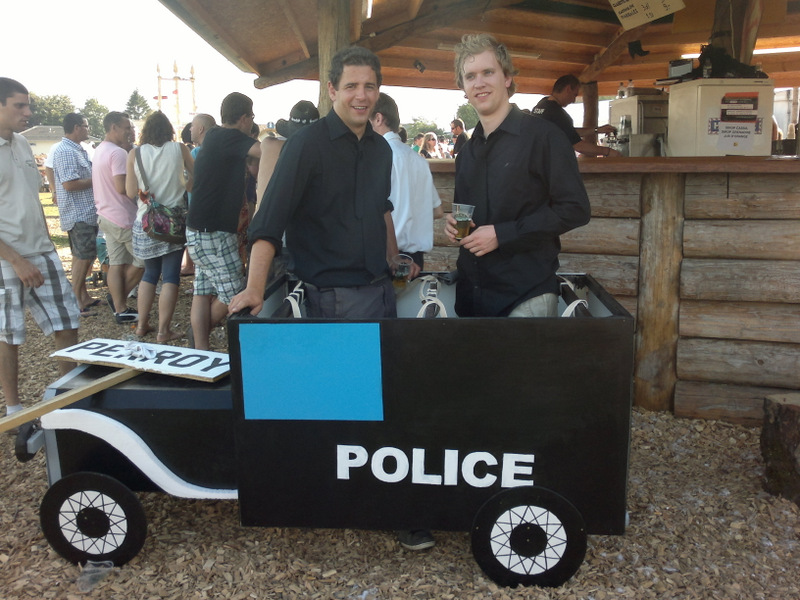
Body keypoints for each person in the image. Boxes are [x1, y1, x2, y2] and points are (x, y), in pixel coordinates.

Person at [230, 45, 399, 322]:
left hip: (381, 290)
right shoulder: (306, 144)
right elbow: (270, 220)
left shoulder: (381, 149)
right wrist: (254, 288)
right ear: (332, 90)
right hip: (332, 297)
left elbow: (382, 208)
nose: (361, 95)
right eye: (351, 86)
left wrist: (393, 258)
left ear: (377, 92)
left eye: (369, 86)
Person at [445, 33, 591, 318]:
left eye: (488, 72)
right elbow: (467, 214)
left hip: (525, 296)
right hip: (472, 298)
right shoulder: (466, 154)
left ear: (507, 78)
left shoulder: (544, 137)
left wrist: (503, 234)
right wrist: (455, 225)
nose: (479, 82)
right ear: (463, 86)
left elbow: (576, 209)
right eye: (470, 76)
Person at [0, 77, 80, 423]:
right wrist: (16, 260)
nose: (28, 112)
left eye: (28, 105)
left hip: (42, 249)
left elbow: (29, 199)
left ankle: (69, 396)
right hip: (6, 257)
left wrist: (45, 245)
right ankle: (13, 409)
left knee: (67, 320)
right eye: (19, 105)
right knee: (8, 334)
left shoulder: (21, 144)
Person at [186, 93, 260, 350]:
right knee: (236, 294)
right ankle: (203, 333)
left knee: (202, 290)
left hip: (197, 229)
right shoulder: (231, 137)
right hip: (215, 232)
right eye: (252, 117)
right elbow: (264, 151)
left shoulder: (214, 135)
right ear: (244, 118)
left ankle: (200, 349)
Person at [125, 111, 193, 341]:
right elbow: (195, 180)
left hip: (146, 222)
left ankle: (141, 325)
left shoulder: (135, 153)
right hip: (173, 223)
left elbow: (129, 191)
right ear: (169, 130)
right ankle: (164, 330)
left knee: (150, 273)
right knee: (171, 276)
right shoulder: (180, 149)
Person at [369, 92, 443, 269]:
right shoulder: (419, 160)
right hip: (416, 259)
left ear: (378, 118)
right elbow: (438, 211)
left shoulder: (378, 158)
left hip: (387, 256)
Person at [92, 111, 144, 323]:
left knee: (116, 263)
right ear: (113, 127)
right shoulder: (118, 153)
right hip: (123, 216)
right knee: (144, 260)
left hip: (105, 214)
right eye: (126, 127)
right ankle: (119, 300)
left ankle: (120, 308)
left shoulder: (100, 150)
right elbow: (122, 188)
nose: (130, 132)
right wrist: (141, 186)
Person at [52, 113, 99, 313]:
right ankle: (75, 299)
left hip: (85, 212)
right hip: (78, 213)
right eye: (86, 126)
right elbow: (69, 184)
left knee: (83, 255)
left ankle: (83, 296)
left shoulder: (77, 149)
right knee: (83, 256)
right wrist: (97, 179)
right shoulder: (65, 151)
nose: (88, 129)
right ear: (77, 127)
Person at [532, 74, 621, 158]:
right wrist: (608, 151)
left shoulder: (541, 104)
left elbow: (569, 132)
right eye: (574, 95)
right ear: (568, 89)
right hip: (548, 162)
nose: (573, 100)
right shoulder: (558, 113)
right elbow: (579, 146)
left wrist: (597, 130)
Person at [181, 113, 217, 276]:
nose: (190, 129)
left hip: (198, 213)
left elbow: (190, 185)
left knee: (203, 265)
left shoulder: (196, 153)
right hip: (217, 215)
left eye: (193, 126)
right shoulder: (220, 150)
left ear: (201, 129)